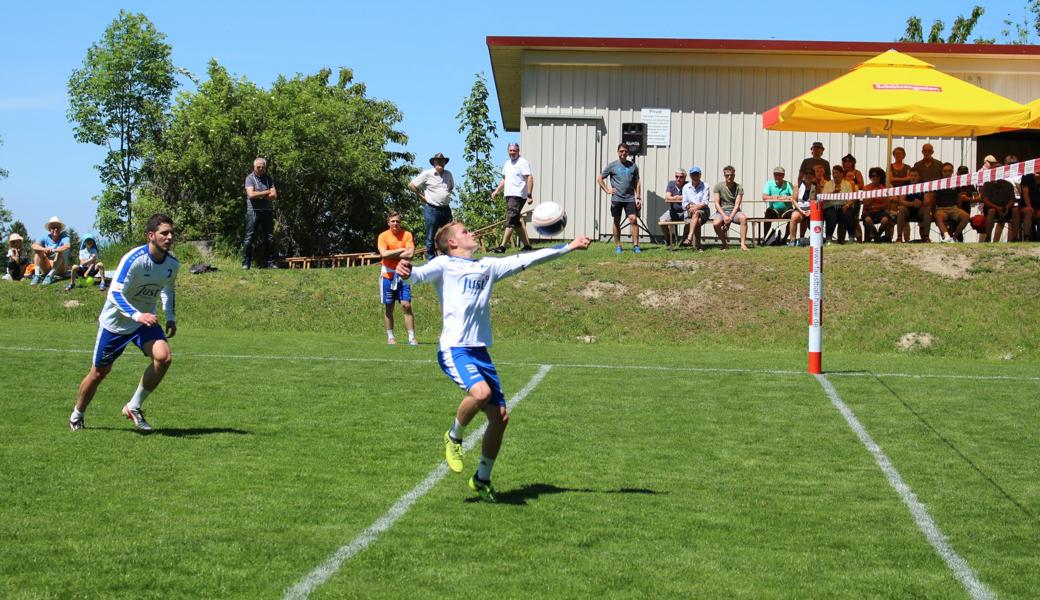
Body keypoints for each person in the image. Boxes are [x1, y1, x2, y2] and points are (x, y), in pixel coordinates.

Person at [394, 221, 591, 501]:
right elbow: (416, 275)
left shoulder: (487, 266)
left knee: (500, 419)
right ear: (451, 244)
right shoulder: (443, 265)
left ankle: (482, 479)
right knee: (481, 392)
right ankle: (454, 435)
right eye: (465, 232)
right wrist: (405, 271)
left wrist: (568, 247)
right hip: (455, 349)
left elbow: (527, 258)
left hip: (480, 351)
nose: (471, 233)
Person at [69, 213, 179, 433]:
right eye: (163, 233)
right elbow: (114, 294)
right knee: (99, 372)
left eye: (171, 233)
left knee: (163, 357)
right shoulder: (134, 259)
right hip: (116, 323)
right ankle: (77, 414)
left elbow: (167, 288)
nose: (169, 237)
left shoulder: (172, 264)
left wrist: (170, 316)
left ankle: (133, 406)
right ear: (151, 235)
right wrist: (137, 315)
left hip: (144, 322)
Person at [377, 212, 416, 345]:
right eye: (393, 221)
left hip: (403, 273)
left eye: (397, 221)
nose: (395, 223)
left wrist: (391, 254)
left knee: (406, 305)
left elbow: (411, 253)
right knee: (389, 307)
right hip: (387, 275)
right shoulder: (383, 236)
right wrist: (401, 251)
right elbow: (383, 254)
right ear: (388, 222)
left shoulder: (407, 234)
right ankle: (391, 337)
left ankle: (411, 337)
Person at [597, 143, 642, 254]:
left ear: (628, 152)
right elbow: (600, 178)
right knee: (616, 221)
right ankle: (618, 246)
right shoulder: (612, 166)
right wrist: (607, 190)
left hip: (630, 198)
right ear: (618, 152)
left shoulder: (633, 166)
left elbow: (637, 182)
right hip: (616, 199)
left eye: (625, 151)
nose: (623, 153)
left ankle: (636, 246)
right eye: (621, 151)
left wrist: (638, 197)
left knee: (633, 219)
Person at [490, 143, 534, 254]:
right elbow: (504, 179)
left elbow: (529, 177)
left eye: (514, 150)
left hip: (518, 195)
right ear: (508, 151)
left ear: (518, 151)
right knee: (516, 221)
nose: (512, 153)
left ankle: (502, 246)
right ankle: (527, 246)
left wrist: (529, 195)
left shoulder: (522, 162)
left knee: (510, 220)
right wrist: (496, 191)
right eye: (510, 150)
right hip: (509, 195)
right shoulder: (507, 164)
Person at [410, 153, 455, 258]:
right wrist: (421, 197)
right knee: (431, 236)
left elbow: (451, 187)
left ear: (445, 163)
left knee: (448, 235)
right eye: (438, 161)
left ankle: (446, 257)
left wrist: (443, 195)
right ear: (434, 162)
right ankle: (431, 259)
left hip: (446, 209)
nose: (440, 163)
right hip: (432, 209)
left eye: (442, 161)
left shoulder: (448, 174)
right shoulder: (427, 173)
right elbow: (412, 185)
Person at [242, 157, 279, 269]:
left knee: (270, 238)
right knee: (249, 238)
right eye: (259, 167)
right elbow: (251, 195)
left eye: (263, 167)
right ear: (254, 167)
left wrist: (259, 194)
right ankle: (246, 263)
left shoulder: (268, 178)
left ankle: (270, 263)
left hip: (267, 211)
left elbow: (274, 196)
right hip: (253, 211)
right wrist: (267, 192)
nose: (261, 168)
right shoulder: (249, 178)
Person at [980, 155, 1018, 242]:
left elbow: (1012, 199)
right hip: (992, 208)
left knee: (1015, 210)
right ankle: (988, 236)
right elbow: (985, 200)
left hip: (1006, 208)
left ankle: (1015, 237)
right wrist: (997, 208)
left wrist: (1008, 207)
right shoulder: (988, 184)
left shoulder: (1008, 185)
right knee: (992, 211)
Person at [711, 165, 749, 251]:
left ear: (734, 175)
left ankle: (743, 244)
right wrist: (724, 216)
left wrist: (730, 218)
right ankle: (724, 244)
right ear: (724, 176)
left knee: (744, 218)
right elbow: (716, 203)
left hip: (734, 211)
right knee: (716, 224)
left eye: (731, 175)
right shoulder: (718, 186)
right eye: (727, 175)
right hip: (722, 211)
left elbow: (737, 205)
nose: (729, 177)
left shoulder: (739, 187)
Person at [932, 163, 969, 243]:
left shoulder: (956, 182)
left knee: (966, 216)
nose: (947, 173)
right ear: (942, 172)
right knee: (938, 217)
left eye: (949, 171)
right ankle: (947, 236)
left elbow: (958, 198)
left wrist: (959, 210)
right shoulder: (937, 183)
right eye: (945, 171)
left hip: (954, 208)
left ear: (952, 172)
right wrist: (933, 211)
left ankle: (954, 237)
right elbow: (933, 198)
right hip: (941, 208)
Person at [30, 216, 71, 285]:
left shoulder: (65, 238)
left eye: (57, 227)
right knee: (38, 252)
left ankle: (50, 275)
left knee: (60, 252)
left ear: (60, 229)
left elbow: (67, 246)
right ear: (49, 229)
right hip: (47, 266)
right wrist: (44, 249)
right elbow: (34, 246)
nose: (55, 229)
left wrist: (55, 250)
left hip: (60, 268)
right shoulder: (44, 237)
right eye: (53, 227)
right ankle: (37, 275)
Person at [896, 168, 932, 243]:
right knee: (901, 209)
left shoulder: (924, 185)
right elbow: (901, 201)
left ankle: (926, 237)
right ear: (909, 176)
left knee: (927, 209)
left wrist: (920, 203)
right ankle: (899, 237)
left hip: (920, 209)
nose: (913, 177)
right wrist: (912, 204)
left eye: (915, 176)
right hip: (908, 209)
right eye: (911, 175)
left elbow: (927, 201)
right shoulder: (905, 185)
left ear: (919, 177)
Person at [681, 166, 711, 249]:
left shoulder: (705, 186)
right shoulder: (686, 187)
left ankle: (689, 238)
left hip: (703, 211)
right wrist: (690, 206)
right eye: (693, 175)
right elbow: (684, 203)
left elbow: (705, 202)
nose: (695, 177)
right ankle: (698, 246)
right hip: (690, 211)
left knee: (697, 214)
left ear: (700, 175)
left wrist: (696, 207)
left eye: (697, 174)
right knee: (697, 219)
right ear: (690, 176)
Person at [822, 165, 854, 242]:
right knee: (831, 216)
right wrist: (833, 193)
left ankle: (851, 238)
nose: (835, 175)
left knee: (848, 214)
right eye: (833, 173)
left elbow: (851, 199)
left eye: (837, 173)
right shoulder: (828, 184)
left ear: (842, 174)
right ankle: (828, 239)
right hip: (830, 206)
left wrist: (847, 205)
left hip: (843, 205)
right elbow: (823, 199)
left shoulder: (847, 184)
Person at [861, 168, 894, 242]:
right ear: (870, 177)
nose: (875, 178)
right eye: (873, 176)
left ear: (880, 177)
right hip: (868, 211)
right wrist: (873, 193)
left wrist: (874, 206)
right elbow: (866, 203)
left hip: (879, 211)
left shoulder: (883, 189)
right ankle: (877, 237)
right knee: (868, 220)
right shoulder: (866, 188)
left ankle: (877, 236)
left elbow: (885, 205)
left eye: (877, 176)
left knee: (885, 220)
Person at [762, 166, 794, 242]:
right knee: (768, 212)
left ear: (783, 176)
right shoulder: (769, 184)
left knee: (794, 215)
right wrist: (775, 197)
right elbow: (764, 197)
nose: (777, 176)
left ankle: (785, 238)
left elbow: (794, 197)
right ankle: (765, 237)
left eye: (779, 175)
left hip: (787, 211)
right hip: (774, 210)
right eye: (775, 174)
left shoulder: (788, 184)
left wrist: (784, 198)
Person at [658, 168, 688, 245]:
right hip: (673, 211)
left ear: (685, 177)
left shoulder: (688, 185)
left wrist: (675, 197)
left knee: (691, 222)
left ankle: (684, 241)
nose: (678, 179)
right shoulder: (671, 184)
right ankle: (670, 238)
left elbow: (690, 197)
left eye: (681, 177)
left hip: (685, 211)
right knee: (662, 221)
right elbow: (667, 197)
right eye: (676, 176)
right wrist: (679, 197)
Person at [788, 170, 815, 243]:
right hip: (799, 209)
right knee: (794, 217)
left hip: (811, 210)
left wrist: (811, 211)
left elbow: (817, 200)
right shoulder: (798, 185)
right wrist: (801, 211)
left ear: (813, 176)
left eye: (810, 174)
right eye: (806, 173)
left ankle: (812, 239)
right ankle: (792, 240)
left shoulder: (815, 186)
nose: (808, 175)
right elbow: (794, 200)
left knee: (817, 217)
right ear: (803, 176)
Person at [1019, 160, 1039, 241]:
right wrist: (1030, 207)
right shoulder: (1027, 178)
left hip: (1038, 207)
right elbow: (1025, 194)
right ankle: (1026, 237)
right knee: (1029, 211)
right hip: (1025, 206)